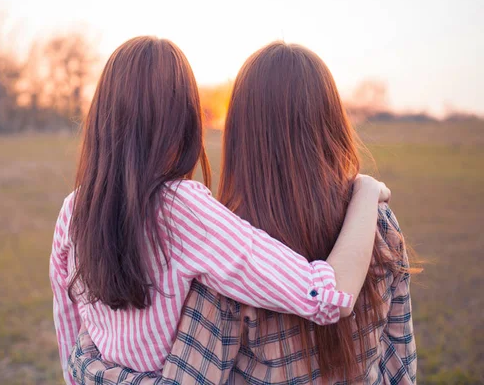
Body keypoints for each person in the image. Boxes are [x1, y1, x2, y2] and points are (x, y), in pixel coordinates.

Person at [51, 37, 391, 384]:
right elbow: (325, 297)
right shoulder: (184, 209)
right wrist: (364, 190)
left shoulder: (73, 210)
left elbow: (67, 322)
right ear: (183, 120)